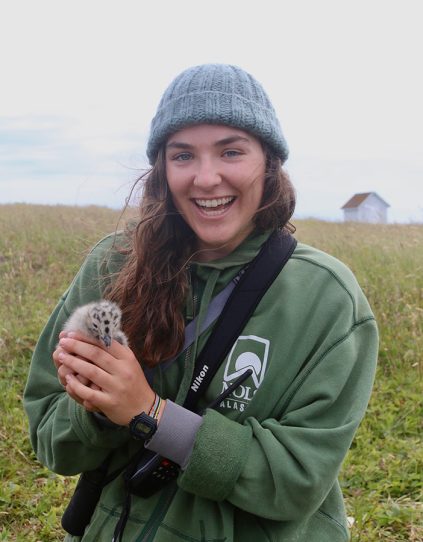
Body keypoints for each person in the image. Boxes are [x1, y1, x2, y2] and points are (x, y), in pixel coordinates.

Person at [24, 64, 378, 542]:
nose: (206, 178)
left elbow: (297, 481)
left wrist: (150, 413)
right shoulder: (112, 265)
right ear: (162, 169)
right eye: (183, 155)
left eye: (231, 151)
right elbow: (52, 439)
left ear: (269, 162)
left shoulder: (328, 299)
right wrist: (95, 402)